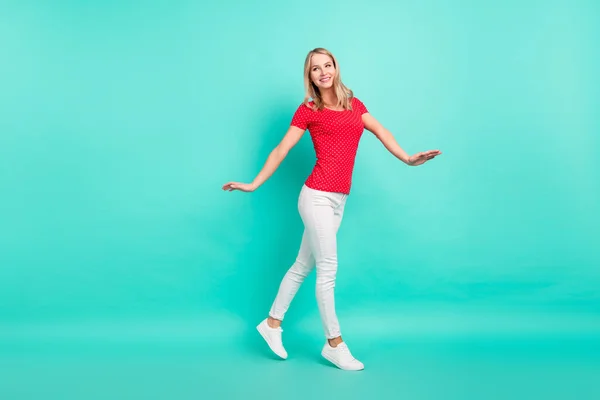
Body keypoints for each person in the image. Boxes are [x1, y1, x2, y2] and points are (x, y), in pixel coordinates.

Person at [222, 47, 441, 371]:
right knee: (328, 270)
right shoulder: (308, 110)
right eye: (315, 69)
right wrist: (254, 184)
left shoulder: (355, 104)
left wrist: (408, 158)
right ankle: (334, 344)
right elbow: (282, 148)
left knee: (301, 266)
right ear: (309, 76)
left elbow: (382, 132)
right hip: (316, 197)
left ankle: (271, 324)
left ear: (336, 68)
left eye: (327, 65)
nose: (323, 72)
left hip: (339, 199)